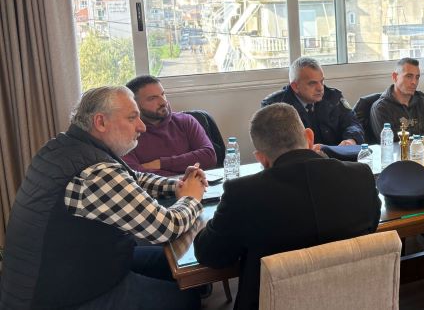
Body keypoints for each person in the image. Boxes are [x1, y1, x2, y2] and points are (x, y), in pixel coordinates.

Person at [0, 86, 206, 310]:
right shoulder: (94, 172)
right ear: (100, 122)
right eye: (132, 118)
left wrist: (176, 186)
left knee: (172, 264)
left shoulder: (64, 147)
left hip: (68, 268)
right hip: (64, 295)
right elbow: (166, 228)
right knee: (185, 299)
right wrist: (192, 197)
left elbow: (132, 178)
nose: (142, 126)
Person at [193, 103, 381, 310]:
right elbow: (372, 226)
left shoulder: (243, 193)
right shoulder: (360, 176)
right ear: (309, 137)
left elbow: (210, 255)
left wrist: (195, 210)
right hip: (351, 300)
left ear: (261, 158)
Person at [122, 75, 216, 176]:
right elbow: (133, 173)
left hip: (196, 184)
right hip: (159, 187)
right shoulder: (127, 134)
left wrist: (161, 163)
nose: (163, 102)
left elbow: (209, 157)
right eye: (152, 98)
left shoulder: (185, 121)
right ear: (134, 104)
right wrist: (181, 177)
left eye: (163, 94)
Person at [261, 56, 365, 148]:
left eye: (322, 81)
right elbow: (275, 145)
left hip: (334, 157)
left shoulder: (333, 97)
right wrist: (308, 151)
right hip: (298, 160)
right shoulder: (275, 106)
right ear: (295, 86)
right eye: (312, 83)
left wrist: (351, 140)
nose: (320, 88)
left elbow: (353, 123)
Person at [370, 57, 424, 140]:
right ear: (395, 77)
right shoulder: (381, 108)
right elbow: (390, 142)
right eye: (409, 76)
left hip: (423, 148)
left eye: (417, 77)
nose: (414, 82)